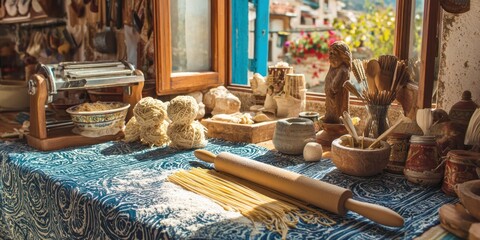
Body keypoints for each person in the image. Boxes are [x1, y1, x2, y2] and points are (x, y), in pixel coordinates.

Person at [324, 41, 352, 124]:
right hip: (330, 107)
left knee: (338, 120)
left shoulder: (343, 70)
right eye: (330, 53)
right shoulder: (332, 69)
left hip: (338, 110)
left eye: (334, 53)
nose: (330, 56)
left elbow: (334, 88)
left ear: (343, 56)